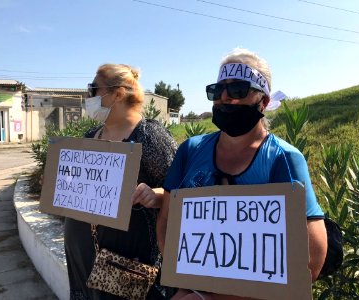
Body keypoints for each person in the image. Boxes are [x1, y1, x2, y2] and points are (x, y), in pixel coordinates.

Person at [156, 48, 327, 300]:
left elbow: (311, 260)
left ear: (264, 102)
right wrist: (186, 285)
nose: (224, 97)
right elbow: (167, 225)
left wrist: (214, 298)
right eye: (217, 90)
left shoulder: (284, 159)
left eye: (237, 90)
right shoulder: (190, 150)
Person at [64, 63, 177, 299]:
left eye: (93, 89)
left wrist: (155, 195)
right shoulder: (91, 135)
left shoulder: (149, 136)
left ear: (118, 93)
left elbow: (178, 191)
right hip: (84, 258)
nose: (89, 97)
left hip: (126, 265)